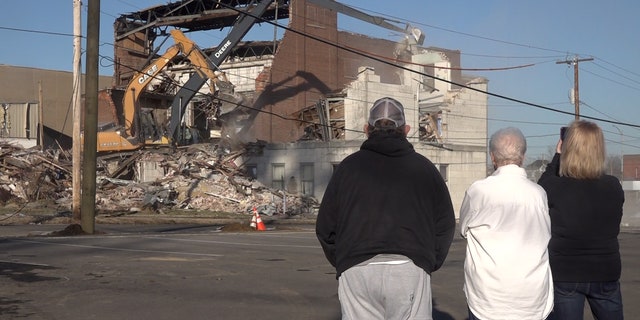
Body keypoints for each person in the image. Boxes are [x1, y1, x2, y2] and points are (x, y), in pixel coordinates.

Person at [316, 96, 456, 320]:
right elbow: (445, 225)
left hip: (356, 269)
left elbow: (325, 227)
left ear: (366, 129)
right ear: (407, 130)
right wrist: (428, 260)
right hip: (409, 267)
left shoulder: (347, 169)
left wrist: (344, 258)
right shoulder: (424, 169)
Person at [459, 127, 554, 320]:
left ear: (492, 157)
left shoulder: (478, 191)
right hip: (533, 299)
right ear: (523, 157)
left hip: (487, 301)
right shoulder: (538, 194)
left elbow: (464, 229)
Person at [538, 120, 624, 320]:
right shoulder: (613, 186)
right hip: (606, 271)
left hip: (566, 274)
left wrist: (557, 156)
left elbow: (540, 188)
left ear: (568, 148)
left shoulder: (554, 187)